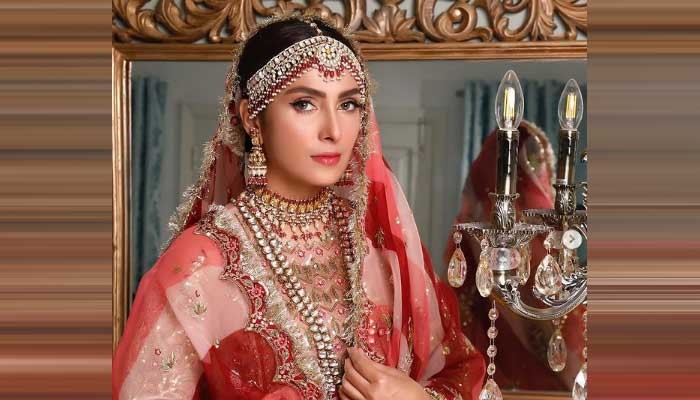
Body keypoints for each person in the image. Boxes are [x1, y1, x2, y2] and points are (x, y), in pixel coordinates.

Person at [113, 13, 485, 400]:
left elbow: (465, 375)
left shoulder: (377, 248)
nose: (333, 131)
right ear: (252, 119)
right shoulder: (199, 263)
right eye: (305, 104)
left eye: (349, 104)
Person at [443, 121, 585, 391]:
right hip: (515, 361)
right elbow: (533, 312)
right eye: (538, 162)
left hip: (485, 363)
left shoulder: (489, 218)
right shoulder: (503, 224)